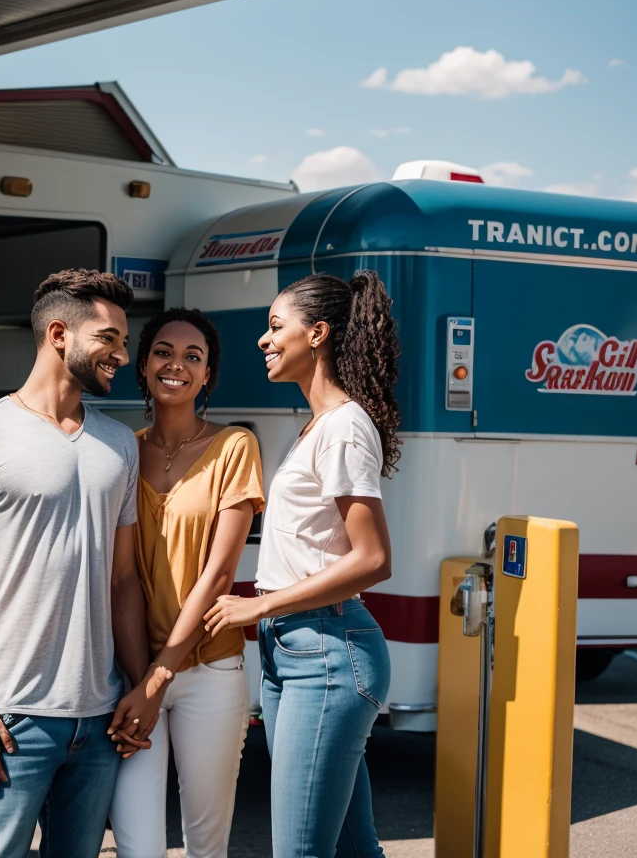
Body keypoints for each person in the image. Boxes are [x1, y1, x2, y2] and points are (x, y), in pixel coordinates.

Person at [0, 268, 157, 858]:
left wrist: (139, 687)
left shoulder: (119, 443)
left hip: (99, 718)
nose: (123, 356)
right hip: (9, 720)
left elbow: (124, 579)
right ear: (60, 334)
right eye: (109, 339)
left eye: (123, 342)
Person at [204, 271, 400, 858]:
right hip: (297, 646)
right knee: (353, 850)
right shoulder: (318, 425)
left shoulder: (341, 428)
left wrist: (261, 602)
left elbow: (373, 558)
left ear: (317, 333)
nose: (264, 340)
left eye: (274, 326)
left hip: (327, 651)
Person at [108, 308, 265, 858]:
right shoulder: (122, 449)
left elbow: (220, 573)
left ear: (207, 377)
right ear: (144, 365)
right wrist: (140, 680)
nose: (176, 365)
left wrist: (160, 678)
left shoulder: (235, 447)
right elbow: (121, 576)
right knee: (136, 845)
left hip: (209, 671)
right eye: (163, 352)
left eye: (192, 357)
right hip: (132, 672)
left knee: (205, 843)